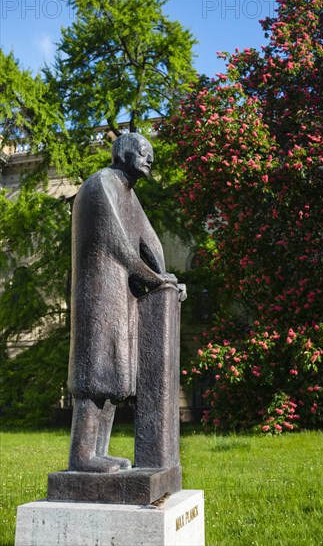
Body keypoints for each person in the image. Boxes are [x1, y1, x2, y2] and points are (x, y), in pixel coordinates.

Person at [67, 133, 186, 473]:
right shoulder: (101, 184)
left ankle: (97, 454)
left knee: (113, 378)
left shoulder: (129, 195)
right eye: (144, 152)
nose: (150, 159)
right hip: (99, 295)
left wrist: (166, 279)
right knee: (94, 376)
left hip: (121, 297)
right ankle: (82, 456)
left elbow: (149, 241)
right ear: (124, 153)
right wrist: (154, 278)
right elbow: (117, 243)